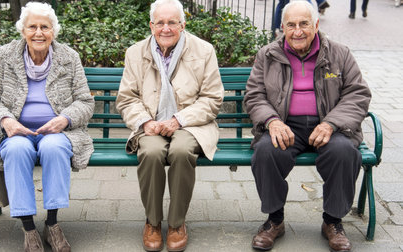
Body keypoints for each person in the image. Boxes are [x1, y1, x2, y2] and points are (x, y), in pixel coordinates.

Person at [244, 1, 371, 251]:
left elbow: (357, 94)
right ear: (282, 27)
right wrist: (272, 121)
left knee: (344, 152)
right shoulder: (267, 54)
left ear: (316, 24)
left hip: (328, 125)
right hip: (285, 123)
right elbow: (255, 95)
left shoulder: (339, 53)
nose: (298, 31)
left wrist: (332, 123)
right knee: (266, 151)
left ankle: (332, 221)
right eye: (291, 25)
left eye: (304, 24)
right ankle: (275, 220)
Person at [0, 2, 94, 251]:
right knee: (16, 150)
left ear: (54, 31)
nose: (39, 32)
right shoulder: (5, 55)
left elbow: (85, 101)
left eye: (45, 27)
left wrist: (64, 119)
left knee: (55, 148)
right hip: (16, 131)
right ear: (23, 30)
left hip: (57, 131)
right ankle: (29, 228)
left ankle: (52, 224)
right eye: (33, 26)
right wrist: (7, 120)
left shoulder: (69, 57)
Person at [115, 0, 224, 251]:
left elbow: (212, 98)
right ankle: (152, 222)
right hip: (151, 124)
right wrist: (146, 121)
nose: (166, 28)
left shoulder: (204, 51)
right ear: (151, 25)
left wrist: (179, 120)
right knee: (152, 152)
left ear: (182, 25)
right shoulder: (135, 52)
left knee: (181, 150)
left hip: (191, 125)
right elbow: (127, 97)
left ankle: (177, 223)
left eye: (172, 22)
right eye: (160, 23)